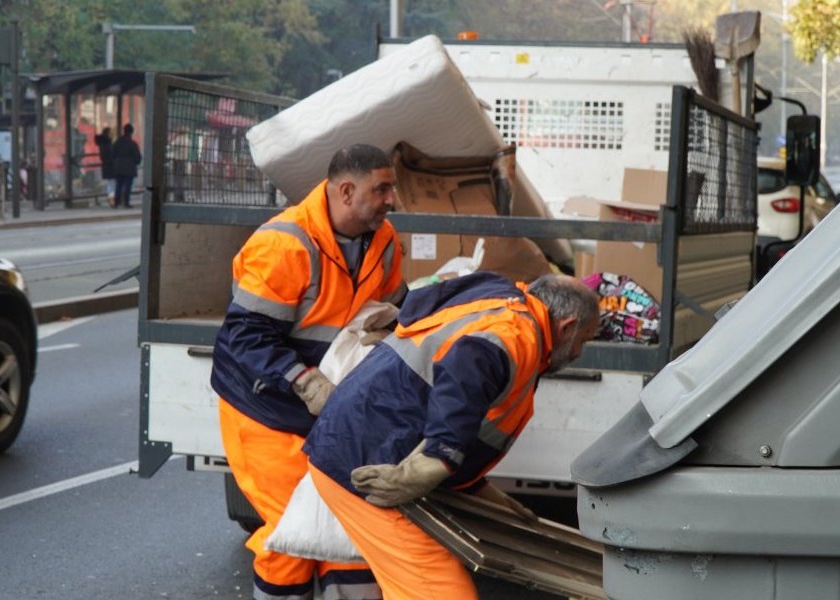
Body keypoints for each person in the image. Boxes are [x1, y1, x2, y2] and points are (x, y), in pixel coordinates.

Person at [303, 272, 600, 600]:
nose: (579, 352)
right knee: (442, 592)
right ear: (567, 327)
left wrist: (479, 492)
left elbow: (467, 409)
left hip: (363, 449)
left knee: (413, 587)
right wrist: (437, 459)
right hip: (370, 467)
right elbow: (465, 374)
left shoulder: (503, 301)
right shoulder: (516, 334)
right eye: (583, 341)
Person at [210, 143, 408, 600]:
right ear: (345, 191)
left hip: (331, 412)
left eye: (391, 188)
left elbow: (395, 307)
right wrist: (305, 379)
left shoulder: (385, 242)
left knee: (345, 534)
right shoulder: (284, 244)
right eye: (382, 189)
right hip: (264, 412)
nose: (391, 199)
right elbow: (244, 338)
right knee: (292, 536)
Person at [111, 123, 141, 208]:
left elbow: (112, 153)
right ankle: (126, 203)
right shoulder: (133, 144)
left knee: (119, 185)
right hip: (129, 167)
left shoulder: (117, 142)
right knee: (128, 186)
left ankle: (117, 202)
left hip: (119, 166)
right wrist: (135, 162)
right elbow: (137, 156)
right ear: (132, 132)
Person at [93, 127, 115, 206]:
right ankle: (111, 198)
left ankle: (111, 197)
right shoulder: (107, 144)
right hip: (111, 165)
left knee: (110, 182)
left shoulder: (102, 143)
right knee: (112, 182)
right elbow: (111, 154)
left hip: (106, 165)